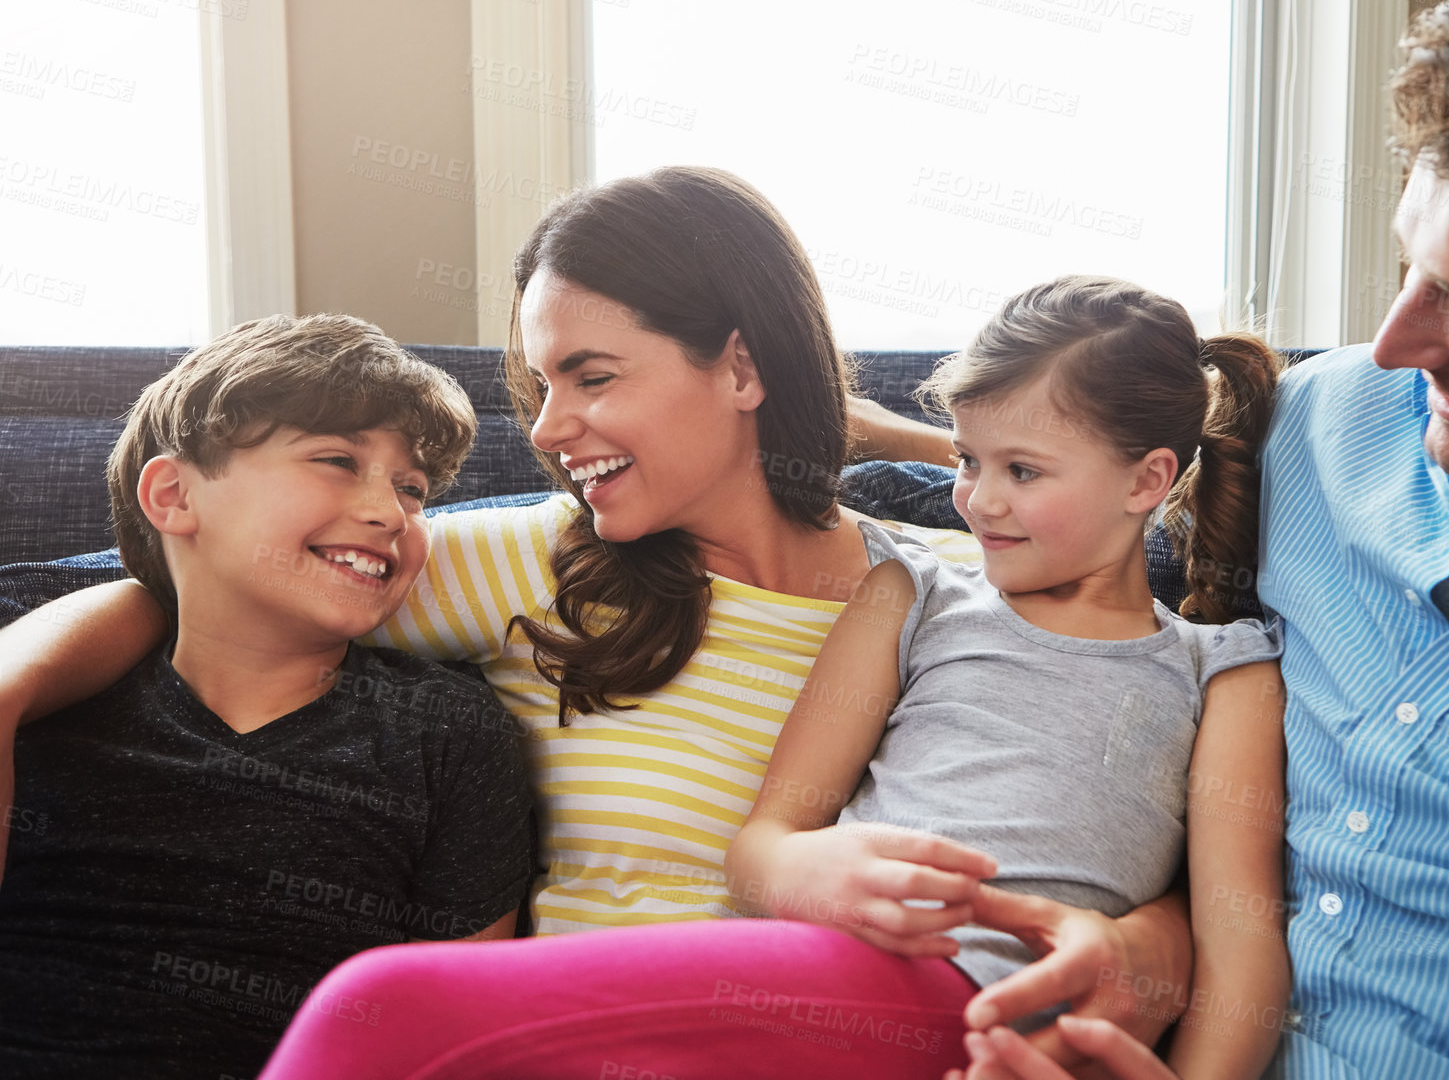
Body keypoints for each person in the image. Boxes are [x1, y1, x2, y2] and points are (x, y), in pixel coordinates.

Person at [0, 168, 1193, 1071]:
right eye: (540, 385)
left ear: (738, 364)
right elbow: (189, 581)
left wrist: (1148, 942)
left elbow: (1135, 738)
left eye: (593, 375)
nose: (549, 426)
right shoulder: (525, 559)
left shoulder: (953, 578)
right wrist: (8, 687)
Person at [922, 0, 1449, 1080]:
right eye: (1411, 269)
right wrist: (1148, 941)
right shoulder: (1309, 427)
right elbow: (1109, 639)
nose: (1394, 343)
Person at [244, 276, 1290, 1080]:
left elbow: (1239, 934)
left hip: (992, 1009)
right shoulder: (909, 593)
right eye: (966, 461)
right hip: (843, 973)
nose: (977, 501)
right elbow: (764, 843)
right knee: (378, 1008)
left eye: (1022, 471)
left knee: (380, 1004)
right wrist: (814, 876)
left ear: (1151, 478)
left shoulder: (1219, 664)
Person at [0, 315, 537, 1079]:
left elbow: (462, 1025)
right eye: (337, 461)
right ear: (175, 494)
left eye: (414, 489)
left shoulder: (447, 731)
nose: (393, 512)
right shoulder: (54, 679)